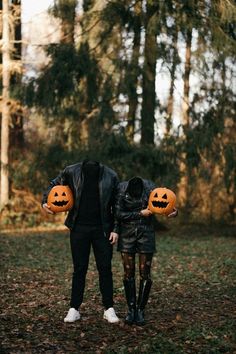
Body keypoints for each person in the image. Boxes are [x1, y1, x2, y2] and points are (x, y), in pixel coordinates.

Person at [42, 159, 120, 324]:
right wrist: (44, 201)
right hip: (78, 228)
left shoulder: (110, 175)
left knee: (105, 268)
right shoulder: (71, 171)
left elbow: (117, 203)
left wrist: (116, 229)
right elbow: (53, 185)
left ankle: (109, 308)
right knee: (79, 269)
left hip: (103, 229)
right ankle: (74, 308)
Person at [115, 176, 178, 326]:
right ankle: (131, 310)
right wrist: (139, 214)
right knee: (128, 273)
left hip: (146, 234)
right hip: (127, 234)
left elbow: (163, 204)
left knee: (145, 273)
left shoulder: (151, 188)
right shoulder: (121, 190)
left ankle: (140, 310)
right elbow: (118, 214)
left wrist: (172, 212)